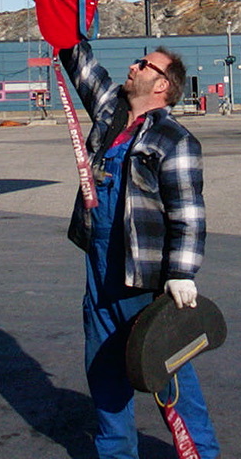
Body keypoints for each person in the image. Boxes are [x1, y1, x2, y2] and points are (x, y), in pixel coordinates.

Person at [59, 41, 220, 459]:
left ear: (162, 84)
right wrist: (64, 23)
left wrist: (182, 273)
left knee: (167, 372)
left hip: (144, 279)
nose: (132, 66)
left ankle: (200, 454)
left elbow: (188, 213)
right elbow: (81, 64)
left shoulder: (175, 139)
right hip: (100, 272)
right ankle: (115, 454)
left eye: (143, 64)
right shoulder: (111, 112)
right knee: (104, 370)